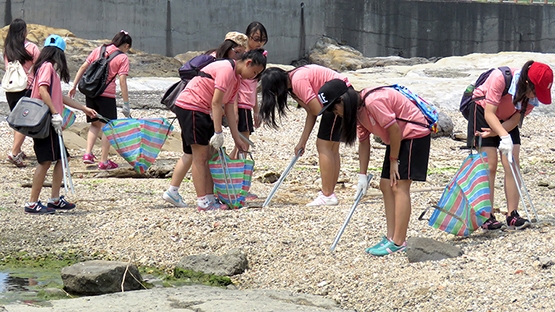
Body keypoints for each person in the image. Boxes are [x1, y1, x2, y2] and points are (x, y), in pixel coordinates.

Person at [317, 79, 432, 256]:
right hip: (396, 140)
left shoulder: (372, 101)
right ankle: (390, 236)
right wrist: (362, 176)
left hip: (413, 135)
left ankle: (399, 241)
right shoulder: (357, 112)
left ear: (343, 100)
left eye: (334, 108)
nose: (335, 113)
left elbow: (394, 129)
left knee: (399, 186)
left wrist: (394, 160)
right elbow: (364, 143)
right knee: (385, 185)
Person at [163, 49, 267, 211]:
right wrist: (218, 132)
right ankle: (202, 201)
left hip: (202, 110)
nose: (253, 77)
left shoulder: (236, 78)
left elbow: (230, 107)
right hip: (192, 107)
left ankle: (210, 198)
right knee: (200, 156)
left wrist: (237, 137)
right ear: (248, 63)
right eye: (254, 72)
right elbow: (216, 103)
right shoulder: (226, 69)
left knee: (210, 155)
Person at [469, 61, 553, 230]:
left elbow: (516, 118)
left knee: (512, 162)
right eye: (536, 91)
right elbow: (489, 113)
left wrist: (499, 133)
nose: (535, 96)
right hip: (483, 112)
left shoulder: (531, 97)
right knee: (489, 164)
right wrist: (501, 134)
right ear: (527, 82)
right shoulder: (500, 78)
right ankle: (486, 215)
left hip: (508, 120)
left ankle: (512, 214)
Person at [25, 34, 97, 214]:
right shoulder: (47, 67)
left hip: (50, 120)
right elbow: (42, 91)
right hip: (46, 121)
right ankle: (32, 203)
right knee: (45, 161)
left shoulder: (46, 68)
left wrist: (83, 108)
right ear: (60, 53)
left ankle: (54, 199)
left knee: (61, 158)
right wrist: (55, 114)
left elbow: (59, 96)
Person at [260, 65, 349, 206]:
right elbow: (312, 112)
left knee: (324, 146)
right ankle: (329, 192)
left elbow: (318, 110)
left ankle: (327, 195)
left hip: (338, 100)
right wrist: (302, 141)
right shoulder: (293, 83)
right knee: (331, 147)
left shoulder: (298, 81)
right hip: (342, 97)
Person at [68, 30, 132, 170]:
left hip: (91, 93)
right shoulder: (122, 58)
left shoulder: (99, 49)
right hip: (107, 96)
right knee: (108, 128)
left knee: (94, 124)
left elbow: (83, 66)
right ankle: (103, 161)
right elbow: (122, 81)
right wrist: (126, 104)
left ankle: (87, 154)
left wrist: (74, 86)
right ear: (126, 45)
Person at [228, 22, 268, 200]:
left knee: (241, 145)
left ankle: (230, 181)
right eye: (256, 39)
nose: (259, 43)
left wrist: (256, 110)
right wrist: (234, 109)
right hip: (240, 104)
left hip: (248, 104)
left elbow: (255, 86)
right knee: (242, 145)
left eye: (262, 40)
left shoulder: (260, 58)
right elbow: (235, 85)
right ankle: (238, 185)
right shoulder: (243, 59)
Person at [3, 18, 40, 167]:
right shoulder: (31, 48)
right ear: (23, 31)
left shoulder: (8, 49)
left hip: (11, 89)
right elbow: (40, 67)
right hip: (26, 88)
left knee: (18, 123)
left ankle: (17, 150)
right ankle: (13, 153)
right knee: (24, 123)